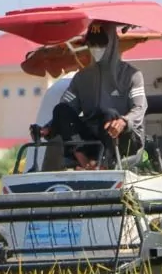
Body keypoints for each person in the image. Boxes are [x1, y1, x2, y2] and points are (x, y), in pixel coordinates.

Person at [37, 21, 147, 170]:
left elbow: (140, 108)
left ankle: (106, 165)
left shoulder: (131, 75)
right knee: (60, 110)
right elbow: (67, 109)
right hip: (92, 138)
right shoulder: (81, 78)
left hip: (123, 139)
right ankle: (86, 164)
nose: (96, 49)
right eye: (92, 44)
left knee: (108, 113)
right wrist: (48, 128)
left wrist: (124, 121)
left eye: (101, 44)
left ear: (112, 44)